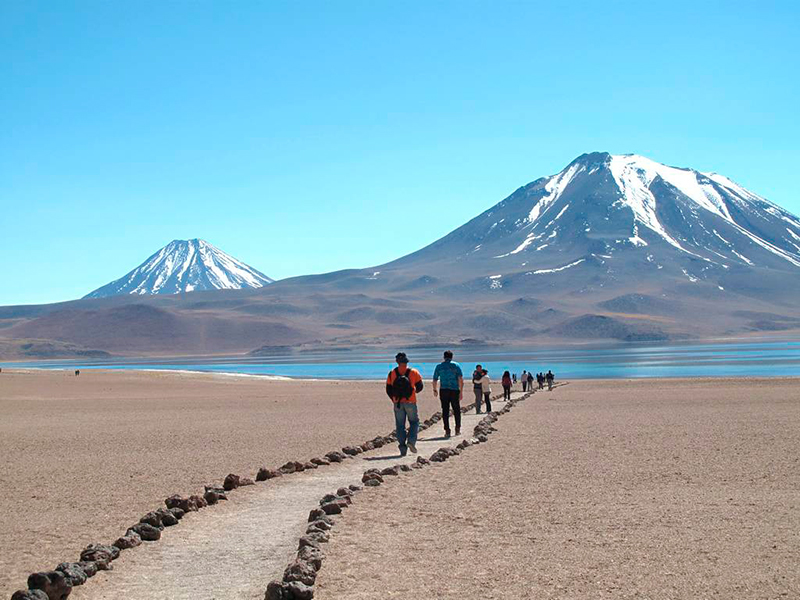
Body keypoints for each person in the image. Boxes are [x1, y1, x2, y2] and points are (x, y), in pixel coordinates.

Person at [385, 352, 424, 456]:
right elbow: (420, 387)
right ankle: (411, 441)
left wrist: (394, 399)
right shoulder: (414, 372)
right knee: (414, 422)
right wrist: (413, 392)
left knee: (400, 425)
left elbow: (388, 389)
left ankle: (402, 448)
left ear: (397, 362)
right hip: (410, 402)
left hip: (397, 403)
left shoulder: (392, 373)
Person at [433, 350, 464, 438]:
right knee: (456, 410)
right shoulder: (456, 365)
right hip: (454, 390)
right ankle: (457, 429)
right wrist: (461, 391)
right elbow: (460, 379)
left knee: (445, 410)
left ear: (444, 357)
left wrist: (434, 389)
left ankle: (447, 430)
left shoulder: (439, 366)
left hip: (444, 390)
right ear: (452, 357)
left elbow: (435, 379)